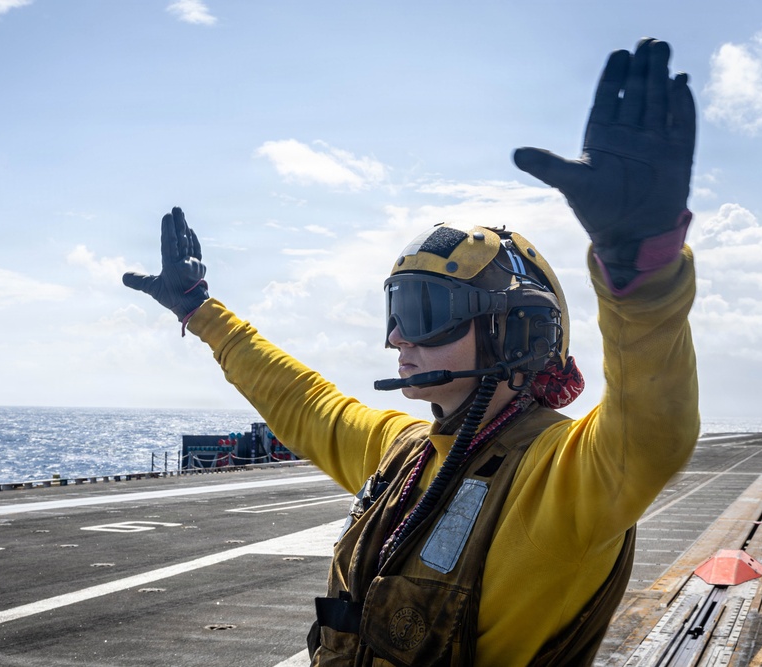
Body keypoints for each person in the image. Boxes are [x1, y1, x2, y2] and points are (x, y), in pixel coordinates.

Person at [123, 38, 699, 667]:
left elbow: (653, 426)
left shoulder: (568, 475)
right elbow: (301, 401)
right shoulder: (405, 451)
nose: (398, 338)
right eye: (397, 312)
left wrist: (641, 266)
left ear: (517, 334)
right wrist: (199, 311)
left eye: (426, 314)